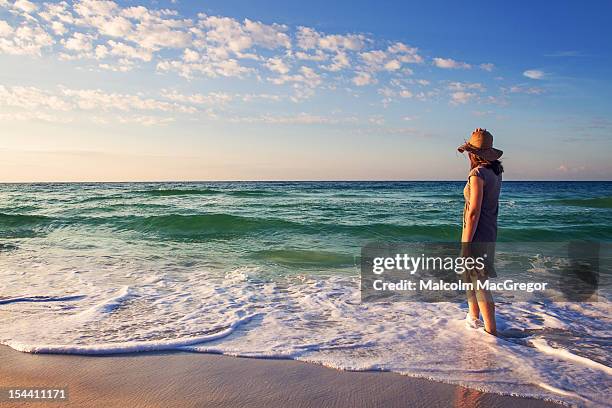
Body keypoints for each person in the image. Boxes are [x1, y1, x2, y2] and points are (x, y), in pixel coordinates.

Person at [458, 128, 503, 335]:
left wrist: (466, 244)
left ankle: (491, 332)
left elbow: (474, 211)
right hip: (488, 231)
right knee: (471, 277)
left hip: (477, 233)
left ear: (473, 153)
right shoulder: (495, 172)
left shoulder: (477, 174)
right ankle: (473, 320)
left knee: (479, 282)